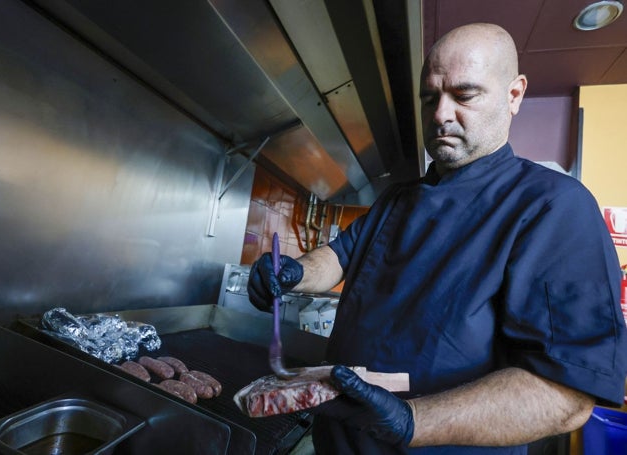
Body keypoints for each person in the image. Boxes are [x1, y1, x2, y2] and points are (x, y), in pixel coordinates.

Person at [248, 23, 627, 454]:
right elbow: (338, 257)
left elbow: (565, 392)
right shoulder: (399, 198)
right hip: (339, 444)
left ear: (514, 95)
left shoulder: (554, 207)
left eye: (464, 96)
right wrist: (294, 272)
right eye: (430, 97)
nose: (440, 114)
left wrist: (411, 420)